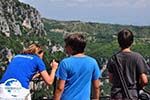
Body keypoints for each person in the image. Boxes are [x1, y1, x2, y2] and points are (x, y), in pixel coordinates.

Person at [54, 33, 101, 100]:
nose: (65, 47)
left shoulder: (65, 63)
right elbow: (96, 86)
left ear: (71, 47)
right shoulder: (92, 62)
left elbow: (60, 88)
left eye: (66, 45)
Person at [107, 29, 148, 100]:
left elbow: (111, 79)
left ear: (119, 42)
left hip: (116, 95)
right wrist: (138, 87)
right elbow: (144, 80)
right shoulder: (138, 57)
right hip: (132, 95)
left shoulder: (113, 59)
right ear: (131, 42)